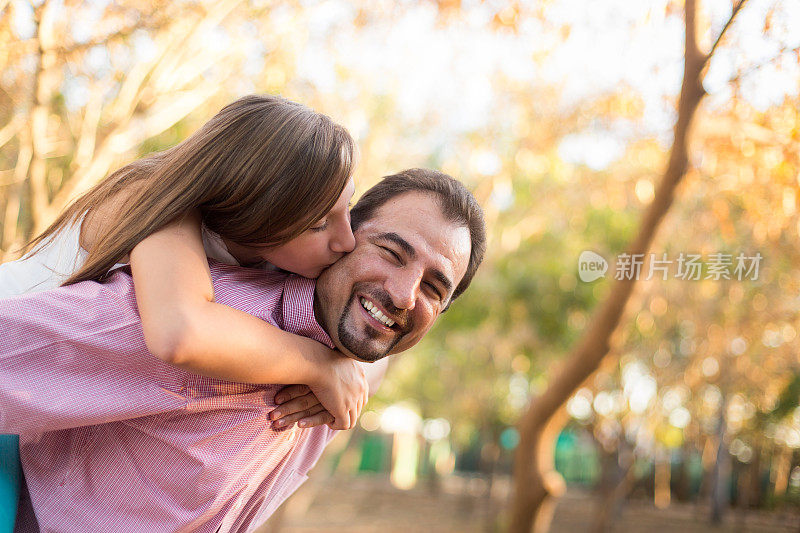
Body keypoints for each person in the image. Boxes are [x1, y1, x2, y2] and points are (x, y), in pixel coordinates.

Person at [0, 169, 487, 532]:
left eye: (433, 288)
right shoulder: (199, 319)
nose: (405, 294)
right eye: (391, 252)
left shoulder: (350, 365)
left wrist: (343, 369)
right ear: (344, 239)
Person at [0, 94, 373, 531]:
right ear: (258, 211)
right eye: (319, 224)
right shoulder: (158, 200)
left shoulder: (263, 257)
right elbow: (179, 330)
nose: (346, 240)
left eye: (347, 208)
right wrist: (322, 367)